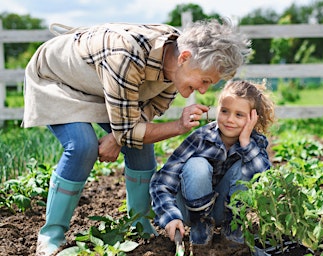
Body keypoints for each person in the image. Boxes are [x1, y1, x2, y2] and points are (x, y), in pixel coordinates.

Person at [22, 19, 251, 256]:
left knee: (140, 147)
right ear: (184, 58)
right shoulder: (126, 54)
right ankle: (51, 235)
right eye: (204, 81)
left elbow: (145, 115)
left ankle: (139, 222)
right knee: (82, 147)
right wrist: (174, 126)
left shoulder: (175, 67)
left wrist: (118, 137)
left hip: (103, 87)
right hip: (59, 80)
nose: (203, 90)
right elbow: (129, 130)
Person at [150, 80, 276, 247]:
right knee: (197, 165)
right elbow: (162, 182)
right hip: (192, 211)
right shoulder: (201, 138)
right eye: (225, 111)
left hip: (227, 212)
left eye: (239, 114)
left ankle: (233, 229)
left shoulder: (255, 142)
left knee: (247, 167)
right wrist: (170, 216)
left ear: (253, 118)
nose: (230, 119)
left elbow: (267, 180)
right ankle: (201, 228)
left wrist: (246, 143)